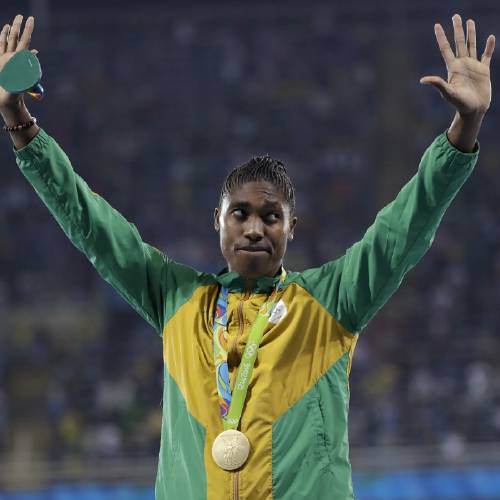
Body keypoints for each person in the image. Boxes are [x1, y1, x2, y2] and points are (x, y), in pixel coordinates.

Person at [0, 12, 495, 500]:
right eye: (240, 214)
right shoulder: (176, 299)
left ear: (291, 229)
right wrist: (18, 120)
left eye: (270, 216)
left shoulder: (331, 303)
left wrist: (464, 126)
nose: (255, 228)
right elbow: (92, 225)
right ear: (217, 223)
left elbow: (403, 229)